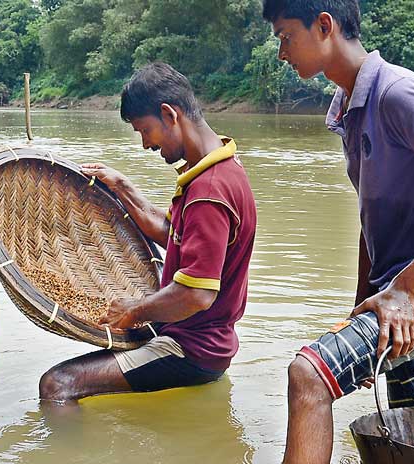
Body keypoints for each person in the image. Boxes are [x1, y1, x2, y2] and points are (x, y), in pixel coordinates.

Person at [261, 0, 414, 464]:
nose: (281, 52)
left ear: (324, 26)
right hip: (401, 292)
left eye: (286, 36)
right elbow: (372, 217)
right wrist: (363, 304)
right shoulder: (348, 106)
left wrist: (402, 291)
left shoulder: (398, 93)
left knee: (308, 376)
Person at [39, 62, 257, 403]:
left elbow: (196, 295)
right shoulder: (216, 170)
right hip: (203, 338)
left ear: (169, 115)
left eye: (144, 130)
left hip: (191, 348)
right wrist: (124, 187)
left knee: (57, 385)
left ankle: (77, 458)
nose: (144, 145)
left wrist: (134, 310)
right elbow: (172, 233)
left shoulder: (209, 192)